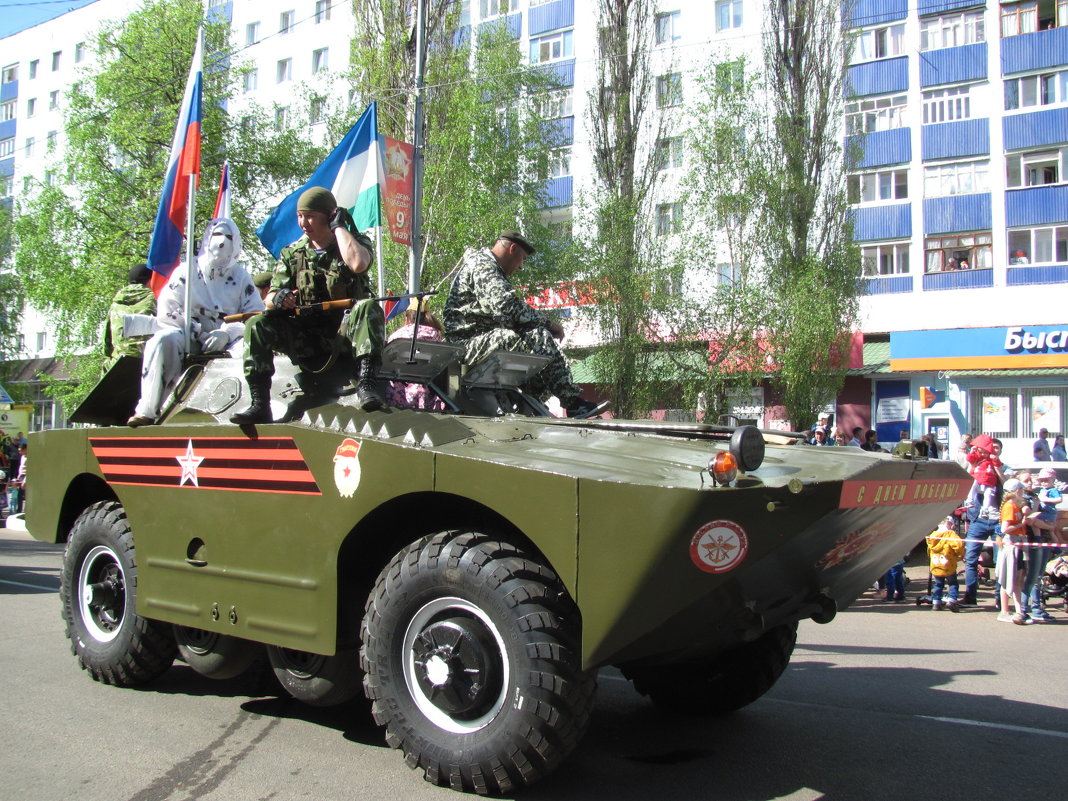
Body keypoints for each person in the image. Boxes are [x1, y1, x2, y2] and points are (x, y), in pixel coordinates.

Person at [231, 187, 386, 423]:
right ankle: (260, 403)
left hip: (346, 335)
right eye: (300, 216)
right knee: (257, 323)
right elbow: (270, 298)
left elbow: (358, 263)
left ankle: (366, 384)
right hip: (306, 337)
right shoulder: (292, 254)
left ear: (330, 215)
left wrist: (340, 227)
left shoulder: (354, 242)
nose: (304, 223)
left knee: (367, 306)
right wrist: (280, 298)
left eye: (311, 215)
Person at [443, 231, 597, 417]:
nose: (521, 266)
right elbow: (506, 307)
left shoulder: (489, 267)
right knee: (537, 336)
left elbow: (505, 314)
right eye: (522, 258)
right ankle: (572, 403)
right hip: (465, 345)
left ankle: (530, 405)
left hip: (481, 341)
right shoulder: (483, 265)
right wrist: (548, 323)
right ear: (512, 248)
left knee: (541, 355)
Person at [128, 218, 263, 426]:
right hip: (189, 333)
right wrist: (197, 331)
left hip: (228, 337)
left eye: (228, 237)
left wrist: (228, 332)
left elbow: (255, 316)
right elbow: (168, 310)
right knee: (162, 340)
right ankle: (149, 409)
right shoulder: (186, 271)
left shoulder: (241, 276)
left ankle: (244, 409)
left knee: (250, 348)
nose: (222, 242)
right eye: (217, 235)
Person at [385, 303, 447, 412]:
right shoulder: (434, 334)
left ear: (407, 319)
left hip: (398, 394)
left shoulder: (396, 336)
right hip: (426, 391)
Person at [103, 263, 156, 369]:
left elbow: (106, 343)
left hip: (119, 364)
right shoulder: (155, 298)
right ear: (150, 280)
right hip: (148, 363)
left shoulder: (115, 304)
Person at [996, 478, 1031, 624]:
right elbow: (1005, 529)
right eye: (1021, 490)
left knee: (1017, 579)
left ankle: (1019, 611)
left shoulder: (1016, 505)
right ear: (1017, 491)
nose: (1023, 492)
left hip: (1019, 544)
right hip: (1012, 545)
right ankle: (1004, 611)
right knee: (1008, 578)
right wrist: (1021, 524)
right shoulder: (1010, 506)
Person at [926, 516, 964, 611]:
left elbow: (929, 550)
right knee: (953, 583)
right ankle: (951, 601)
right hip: (949, 564)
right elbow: (958, 545)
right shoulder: (950, 535)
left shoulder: (933, 536)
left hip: (936, 565)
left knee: (938, 584)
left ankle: (936, 602)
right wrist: (960, 555)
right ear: (950, 524)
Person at [964, 433, 1003, 519]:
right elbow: (970, 459)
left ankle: (985, 510)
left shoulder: (991, 458)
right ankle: (969, 501)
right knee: (973, 485)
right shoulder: (978, 458)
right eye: (981, 452)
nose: (983, 454)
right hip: (978, 478)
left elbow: (998, 464)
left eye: (985, 452)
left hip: (989, 481)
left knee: (989, 494)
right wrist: (972, 451)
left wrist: (995, 459)